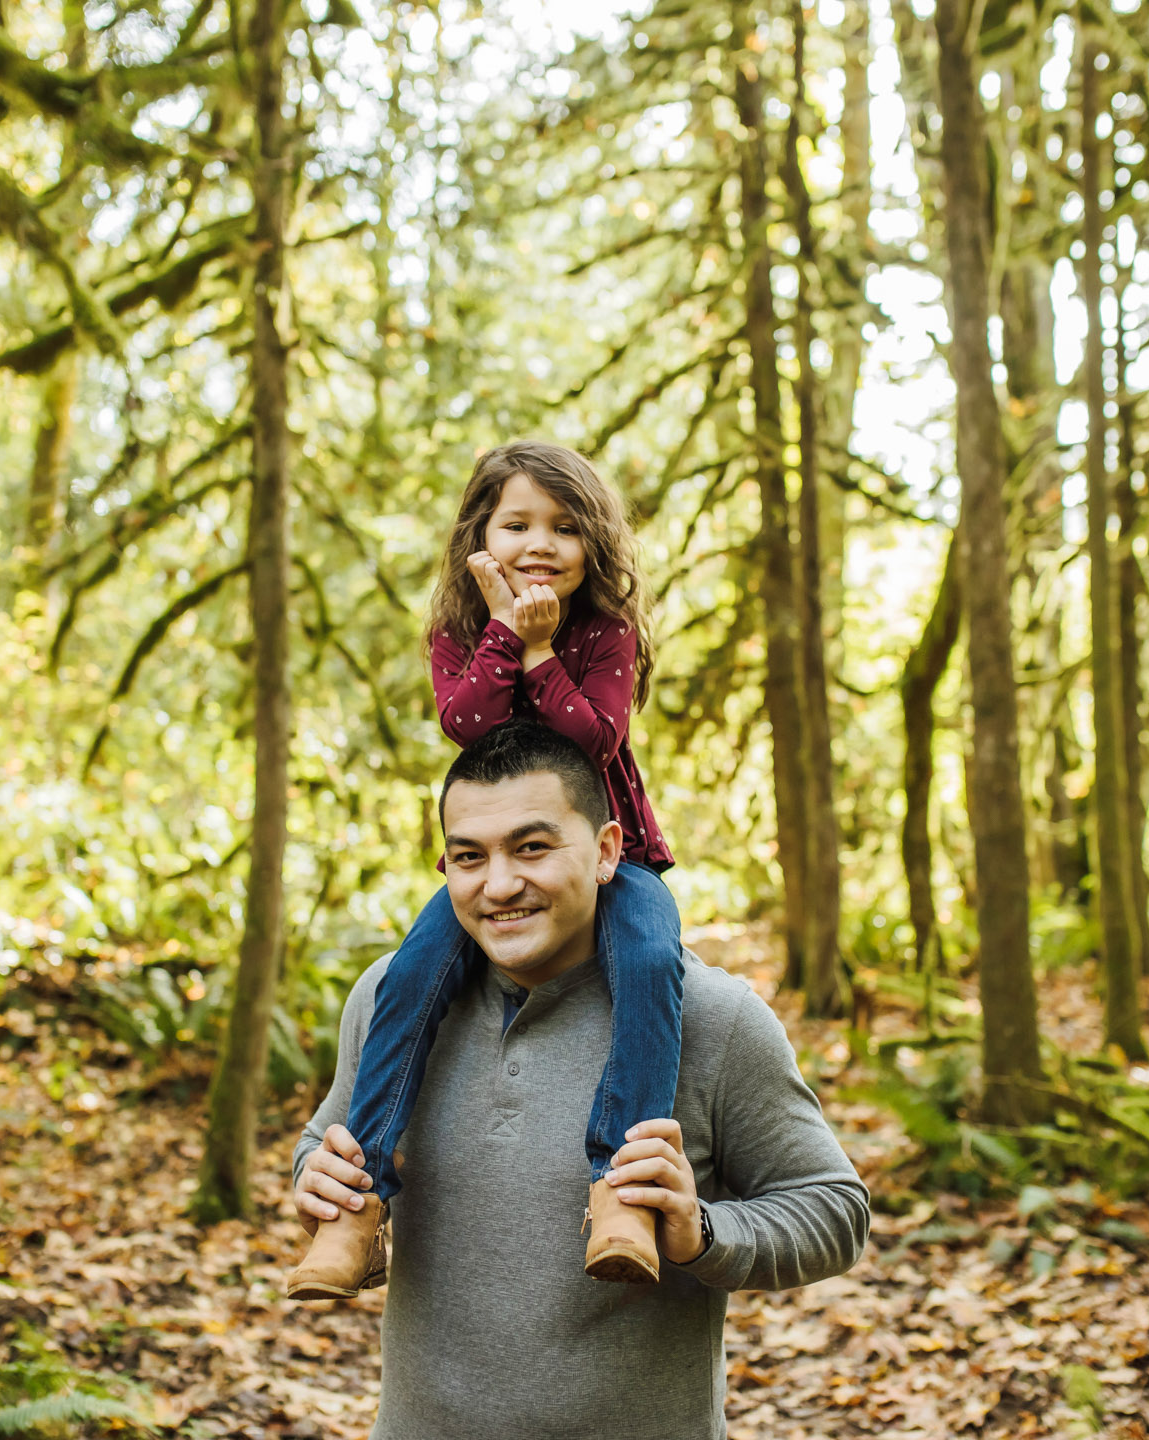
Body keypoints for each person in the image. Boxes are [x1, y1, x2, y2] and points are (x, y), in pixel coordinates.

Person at [290, 722, 870, 1439]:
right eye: (470, 857)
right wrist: (311, 1178)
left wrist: (702, 1233)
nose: (499, 885)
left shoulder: (717, 1020)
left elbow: (834, 1211)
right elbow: (325, 1138)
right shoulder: (386, 999)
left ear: (605, 852)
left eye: (532, 847)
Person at [287, 441, 685, 1297]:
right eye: (518, 524)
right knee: (412, 971)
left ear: (595, 547)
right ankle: (357, 1206)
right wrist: (507, 631)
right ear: (481, 537)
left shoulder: (605, 633)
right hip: (502, 851)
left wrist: (544, 653)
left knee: (652, 960)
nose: (541, 543)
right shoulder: (459, 632)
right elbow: (468, 723)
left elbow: (595, 740)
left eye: (564, 527)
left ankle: (621, 1189)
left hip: (618, 856)